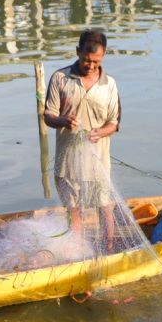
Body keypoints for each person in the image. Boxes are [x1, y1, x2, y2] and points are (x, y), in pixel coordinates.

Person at [42, 29, 122, 248]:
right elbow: (48, 115)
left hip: (98, 162)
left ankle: (109, 246)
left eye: (97, 61)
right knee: (74, 210)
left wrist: (99, 132)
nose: (91, 66)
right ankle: (77, 251)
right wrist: (63, 121)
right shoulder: (60, 78)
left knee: (104, 206)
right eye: (87, 60)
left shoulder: (109, 84)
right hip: (68, 163)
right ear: (78, 52)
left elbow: (114, 123)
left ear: (103, 57)